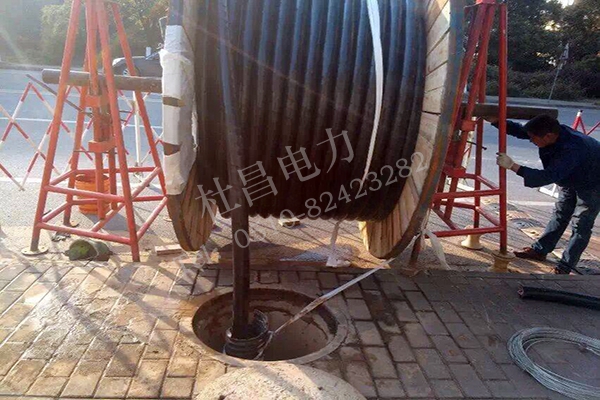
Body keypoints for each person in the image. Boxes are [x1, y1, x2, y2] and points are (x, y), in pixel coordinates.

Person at [490, 114, 600, 274]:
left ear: (548, 136)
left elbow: (547, 176)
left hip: (593, 182)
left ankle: (566, 266)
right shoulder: (553, 132)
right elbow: (522, 131)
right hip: (571, 177)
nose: (531, 141)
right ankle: (540, 250)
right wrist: (496, 121)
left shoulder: (572, 149)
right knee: (560, 214)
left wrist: (513, 166)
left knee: (581, 223)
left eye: (533, 139)